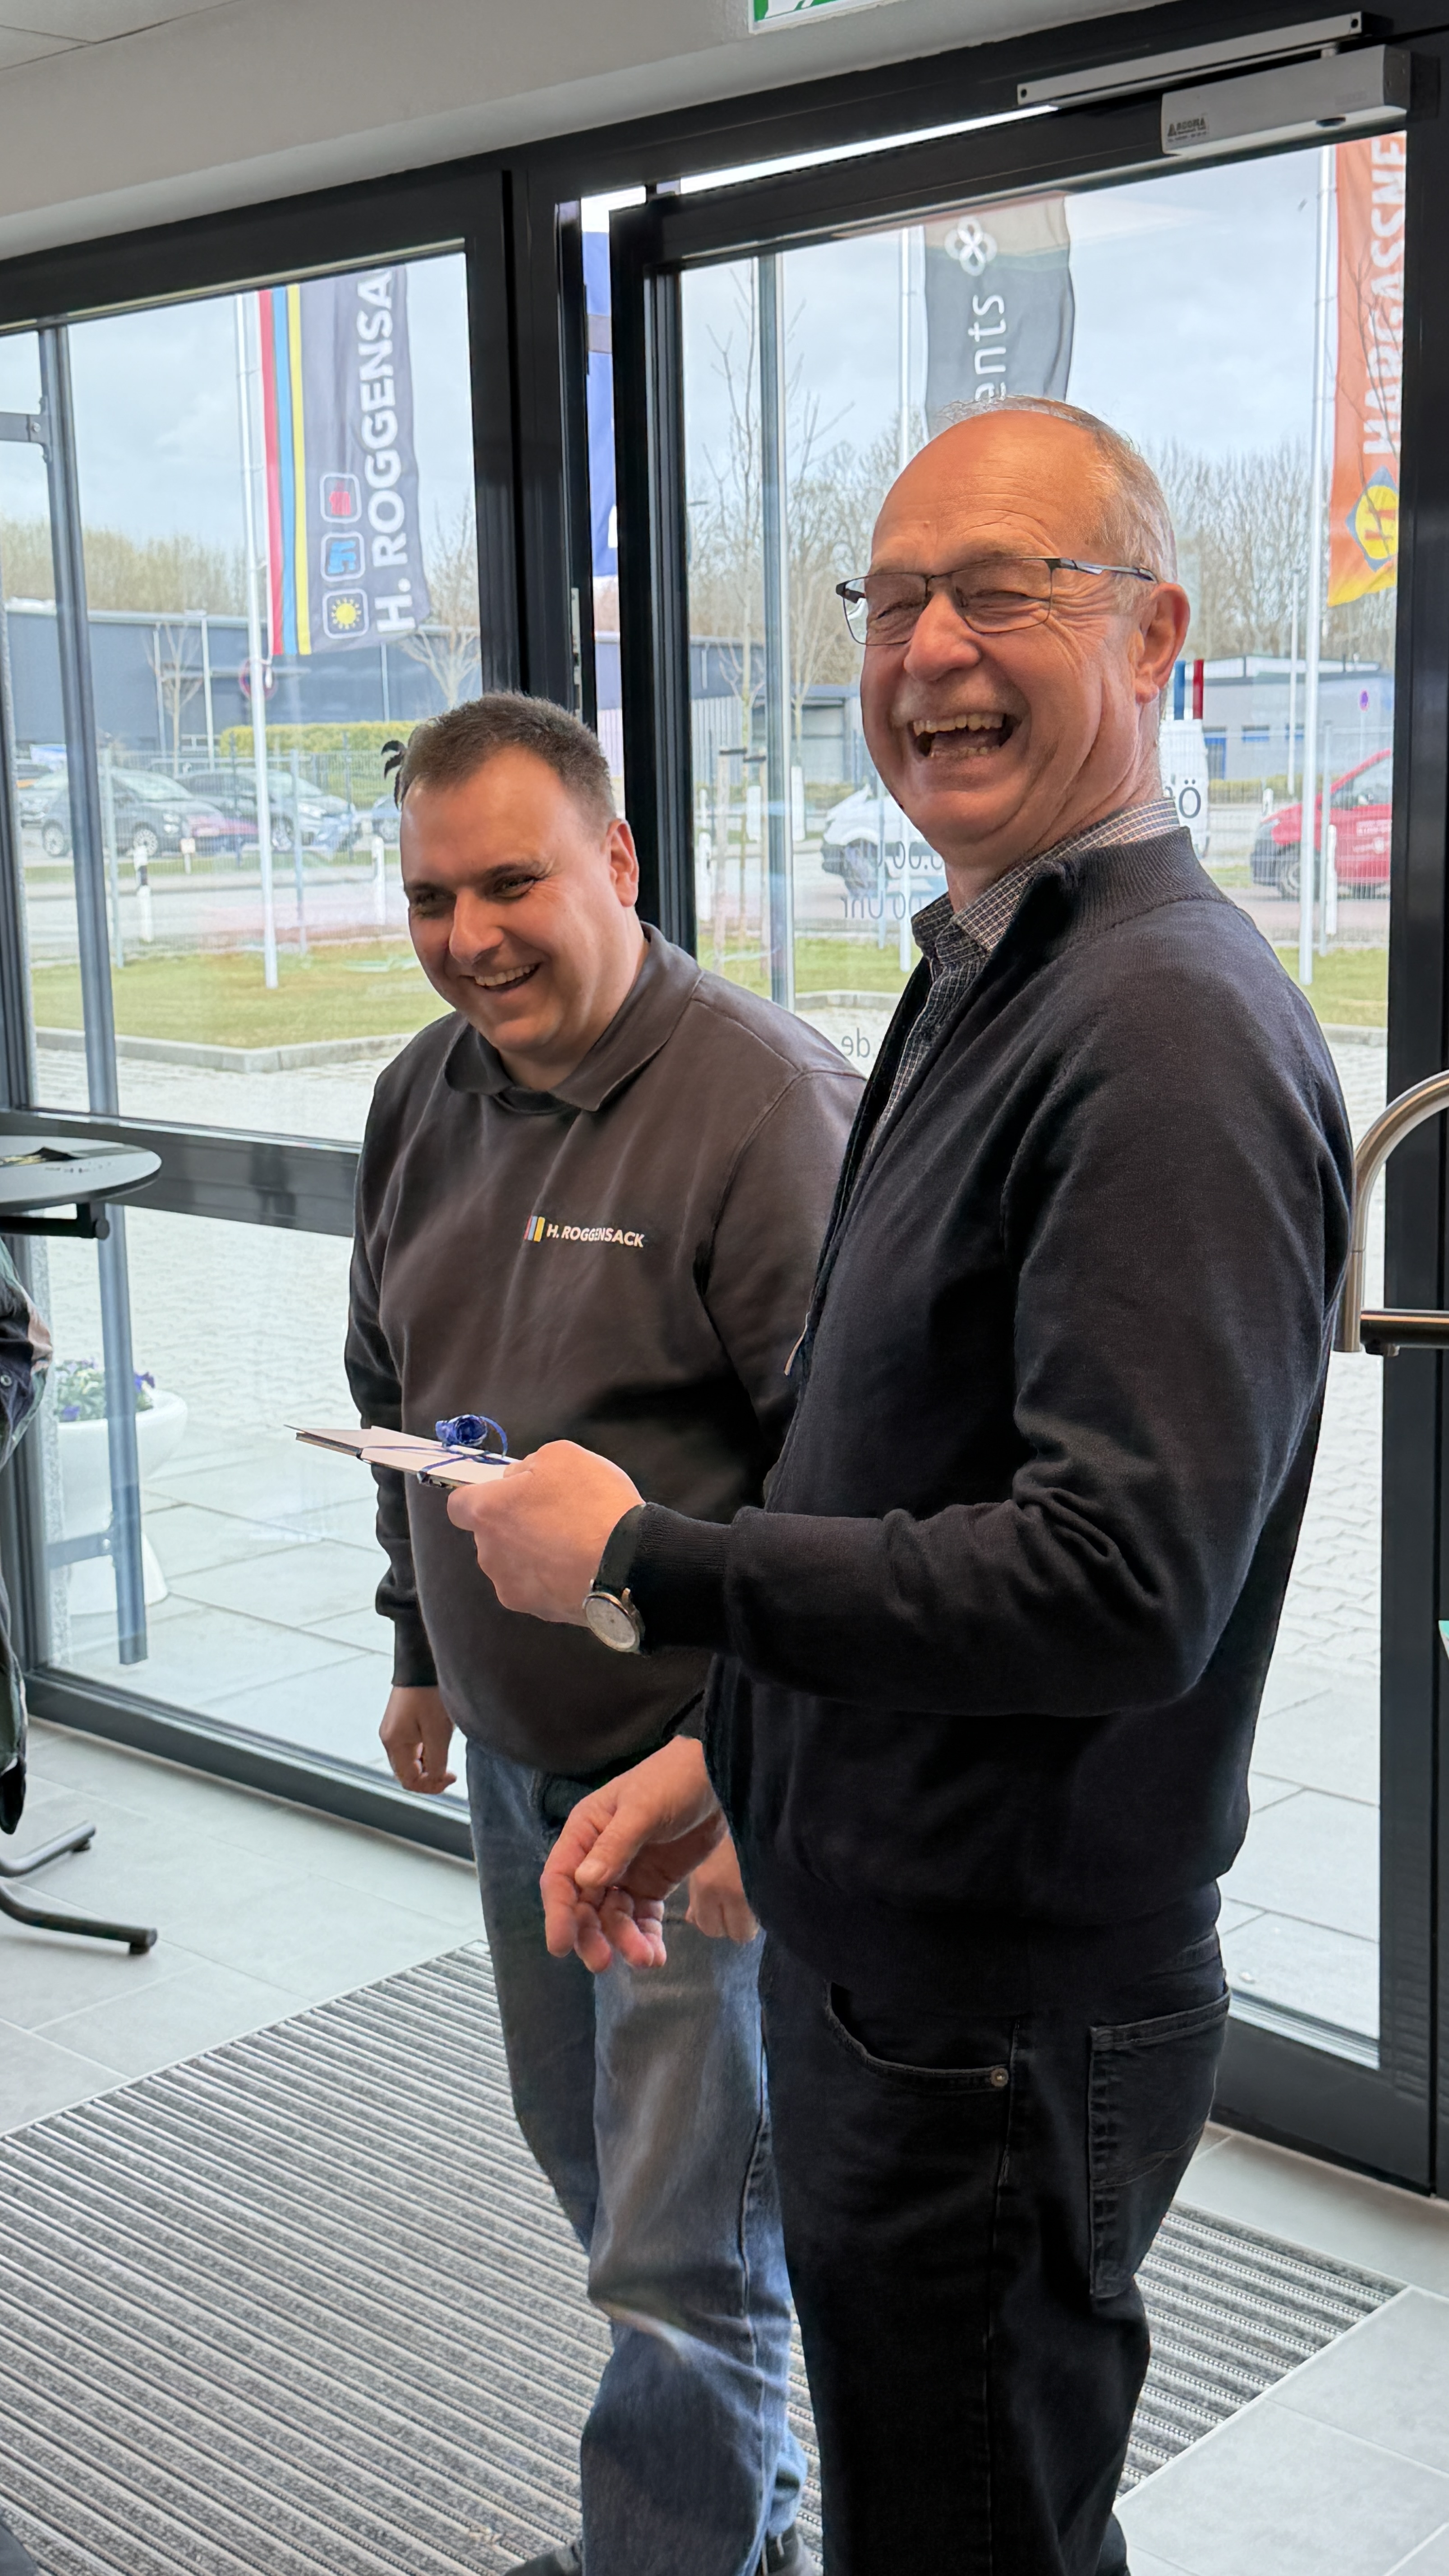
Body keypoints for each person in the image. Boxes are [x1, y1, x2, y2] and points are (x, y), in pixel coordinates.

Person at [441, 405, 1354, 2576]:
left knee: (969, 2530)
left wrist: (648, 1564)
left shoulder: (1165, 1033)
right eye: (892, 599)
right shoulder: (997, 970)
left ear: (1157, 634)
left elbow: (1113, 1580)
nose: (931, 647)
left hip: (997, 2015)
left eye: (1002, 590)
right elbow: (901, 1466)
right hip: (896, 1956)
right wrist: (744, 1763)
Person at [345, 693, 859, 2576]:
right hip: (520, 1769)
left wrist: (742, 1768)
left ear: (619, 863)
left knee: (682, 2249)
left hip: (692, 1783)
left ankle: (675, 2552)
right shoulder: (423, 1092)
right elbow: (394, 1385)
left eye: (510, 884)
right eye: (430, 897)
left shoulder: (762, 1106)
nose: (468, 936)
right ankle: (738, 2532)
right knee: (597, 2177)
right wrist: (420, 1642)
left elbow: (852, 1493)